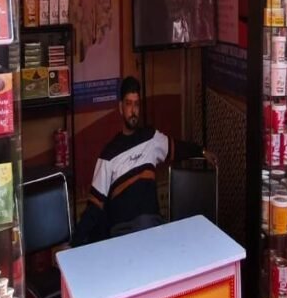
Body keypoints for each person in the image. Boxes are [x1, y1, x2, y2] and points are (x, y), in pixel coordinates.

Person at [72, 76, 214, 245]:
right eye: (129, 104)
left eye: (137, 104)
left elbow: (176, 148)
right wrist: (73, 244)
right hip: (123, 234)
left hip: (152, 227)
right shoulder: (108, 155)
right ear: (121, 108)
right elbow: (94, 207)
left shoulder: (151, 138)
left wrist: (201, 151)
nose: (133, 111)